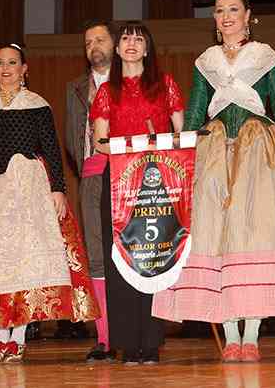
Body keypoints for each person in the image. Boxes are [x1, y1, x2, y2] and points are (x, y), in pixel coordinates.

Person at [151, 0, 275, 362]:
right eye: (219, 11)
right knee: (217, 237)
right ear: (215, 20)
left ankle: (252, 335)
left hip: (258, 149)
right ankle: (231, 335)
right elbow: (196, 112)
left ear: (248, 15)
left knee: (255, 233)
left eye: (233, 9)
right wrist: (182, 158)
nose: (226, 16)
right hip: (214, 150)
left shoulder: (265, 56)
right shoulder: (206, 61)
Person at [0, 43, 99, 363]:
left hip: (25, 191)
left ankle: (17, 339)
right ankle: (0, 339)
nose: (6, 68)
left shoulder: (37, 105)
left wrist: (58, 189)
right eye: (0, 63)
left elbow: (51, 150)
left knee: (22, 261)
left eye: (12, 62)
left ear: (24, 69)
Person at [90, 21, 185, 364]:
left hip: (157, 182)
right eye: (125, 38)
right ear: (117, 49)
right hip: (119, 182)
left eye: (138, 39)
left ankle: (152, 341)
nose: (131, 43)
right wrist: (133, 146)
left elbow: (180, 135)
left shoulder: (165, 85)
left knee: (155, 257)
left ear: (147, 49)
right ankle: (128, 342)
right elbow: (100, 142)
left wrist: (157, 145)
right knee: (122, 260)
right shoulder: (107, 91)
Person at [64, 20, 116, 360]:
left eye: (100, 39)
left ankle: (136, 334)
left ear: (114, 44)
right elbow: (71, 138)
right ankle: (105, 337)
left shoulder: (130, 82)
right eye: (88, 42)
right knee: (96, 256)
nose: (93, 46)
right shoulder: (75, 88)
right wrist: (86, 169)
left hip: (128, 173)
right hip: (92, 174)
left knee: (133, 251)